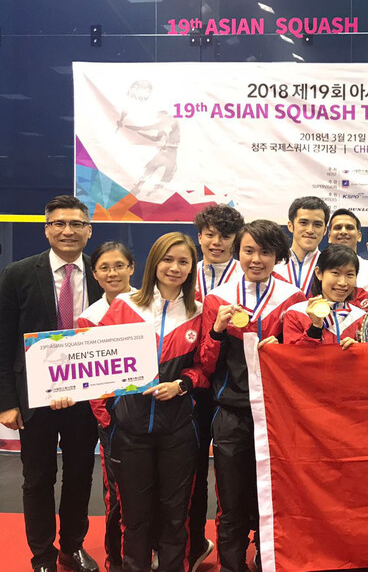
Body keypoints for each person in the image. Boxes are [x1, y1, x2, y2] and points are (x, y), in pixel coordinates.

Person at [0, 195, 102, 572]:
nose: (67, 230)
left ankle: (71, 547)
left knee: (80, 475)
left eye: (76, 224)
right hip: (33, 398)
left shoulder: (103, 273)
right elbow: (3, 338)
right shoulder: (17, 274)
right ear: (46, 229)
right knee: (37, 478)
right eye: (59, 223)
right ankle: (42, 555)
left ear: (89, 231)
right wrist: (6, 401)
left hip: (88, 397)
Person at [97, 232, 208, 572]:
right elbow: (96, 363)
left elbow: (204, 367)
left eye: (183, 262)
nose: (175, 268)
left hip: (177, 430)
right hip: (130, 431)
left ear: (191, 268)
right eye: (168, 259)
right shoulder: (124, 307)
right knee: (135, 516)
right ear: (153, 263)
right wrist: (113, 410)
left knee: (176, 515)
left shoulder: (198, 312)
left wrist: (180, 385)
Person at [201, 220, 306, 571]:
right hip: (231, 414)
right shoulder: (218, 300)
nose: (256, 259)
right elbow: (205, 363)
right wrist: (216, 332)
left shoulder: (294, 298)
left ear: (278, 256)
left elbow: (304, 361)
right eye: (248, 250)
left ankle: (268, 563)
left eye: (265, 252)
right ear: (238, 252)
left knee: (272, 497)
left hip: (277, 416)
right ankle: (232, 565)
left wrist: (285, 348)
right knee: (231, 498)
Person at [190, 203, 245, 570]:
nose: (216, 242)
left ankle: (239, 550)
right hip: (191, 384)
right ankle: (194, 544)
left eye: (224, 235)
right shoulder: (183, 271)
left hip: (230, 388)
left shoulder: (250, 275)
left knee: (234, 476)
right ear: (199, 236)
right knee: (190, 471)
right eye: (209, 234)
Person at [77, 242, 136, 572]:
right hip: (115, 422)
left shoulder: (153, 305)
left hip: (155, 416)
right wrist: (108, 421)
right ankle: (117, 561)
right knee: (117, 496)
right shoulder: (90, 317)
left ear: (132, 267)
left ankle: (151, 552)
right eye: (104, 268)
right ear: (95, 274)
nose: (112, 273)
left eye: (119, 265)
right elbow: (91, 381)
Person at [283, 244, 366, 348]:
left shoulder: (361, 318)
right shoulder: (296, 314)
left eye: (350, 274)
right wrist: (315, 328)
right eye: (335, 273)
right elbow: (293, 358)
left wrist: (360, 350)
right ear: (319, 273)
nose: (343, 282)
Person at [272, 196, 330, 296]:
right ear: (290, 226)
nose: (310, 230)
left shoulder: (331, 266)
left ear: (325, 230)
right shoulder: (273, 264)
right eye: (303, 223)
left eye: (317, 224)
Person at [193, 203, 245, 301]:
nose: (216, 242)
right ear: (200, 238)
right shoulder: (187, 274)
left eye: (225, 237)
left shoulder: (245, 277)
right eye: (210, 235)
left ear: (237, 240)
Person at [327, 208, 368, 309]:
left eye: (349, 227)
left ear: (359, 236)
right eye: (338, 227)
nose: (343, 231)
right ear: (329, 236)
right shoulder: (320, 269)